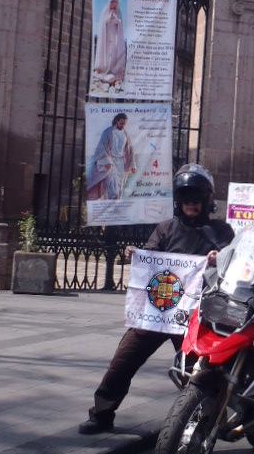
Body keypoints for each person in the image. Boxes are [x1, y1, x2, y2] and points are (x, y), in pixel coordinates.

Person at [79, 165, 234, 434]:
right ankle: (102, 413)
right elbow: (151, 256)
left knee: (199, 372)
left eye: (196, 199)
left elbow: (234, 263)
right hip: (158, 311)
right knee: (124, 359)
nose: (191, 204)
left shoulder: (221, 232)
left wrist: (218, 259)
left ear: (207, 201)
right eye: (186, 199)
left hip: (195, 317)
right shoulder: (165, 229)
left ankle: (208, 418)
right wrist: (138, 255)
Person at [85, 112, 135, 200]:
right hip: (111, 162)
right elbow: (102, 147)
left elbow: (130, 150)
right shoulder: (108, 132)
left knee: (120, 187)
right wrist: (107, 161)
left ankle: (116, 208)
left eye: (125, 124)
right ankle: (113, 205)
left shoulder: (126, 135)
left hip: (122, 164)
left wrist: (132, 165)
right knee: (112, 186)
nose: (123, 125)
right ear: (117, 121)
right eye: (122, 123)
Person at [93, 0, 127, 86]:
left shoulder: (118, 12)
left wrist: (116, 19)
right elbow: (103, 23)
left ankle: (113, 70)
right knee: (106, 53)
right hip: (106, 38)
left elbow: (120, 24)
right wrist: (109, 18)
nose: (114, 5)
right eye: (112, 2)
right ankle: (103, 69)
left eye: (115, 3)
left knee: (113, 54)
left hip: (115, 38)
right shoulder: (105, 11)